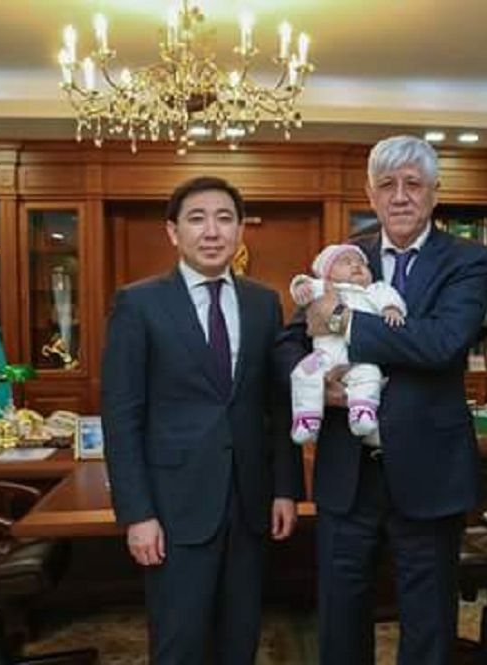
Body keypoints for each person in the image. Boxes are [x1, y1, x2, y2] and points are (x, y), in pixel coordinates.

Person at [276, 135, 487, 665]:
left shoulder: (469, 259)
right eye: (387, 185)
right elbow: (289, 342)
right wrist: (317, 385)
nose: (400, 196)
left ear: (435, 192)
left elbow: (442, 343)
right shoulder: (345, 257)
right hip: (347, 473)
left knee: (428, 621)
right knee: (340, 615)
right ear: (370, 195)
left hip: (429, 471)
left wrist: (342, 319)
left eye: (413, 184)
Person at [101, 176, 302, 665]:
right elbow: (122, 417)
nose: (212, 231)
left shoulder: (263, 302)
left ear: (239, 231)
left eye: (224, 218)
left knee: (240, 641)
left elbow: (277, 406)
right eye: (197, 219)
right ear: (173, 232)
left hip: (249, 505)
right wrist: (137, 514)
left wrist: (285, 489)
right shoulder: (138, 303)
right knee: (180, 644)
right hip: (174, 509)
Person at [288, 243, 406, 444]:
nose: (356, 265)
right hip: (324, 356)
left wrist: (391, 309)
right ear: (328, 273)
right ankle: (307, 418)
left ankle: (363, 411)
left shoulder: (374, 290)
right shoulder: (325, 288)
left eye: (361, 263)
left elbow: (391, 298)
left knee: (370, 374)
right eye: (346, 262)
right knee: (303, 373)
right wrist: (301, 288)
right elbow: (303, 284)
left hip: (360, 357)